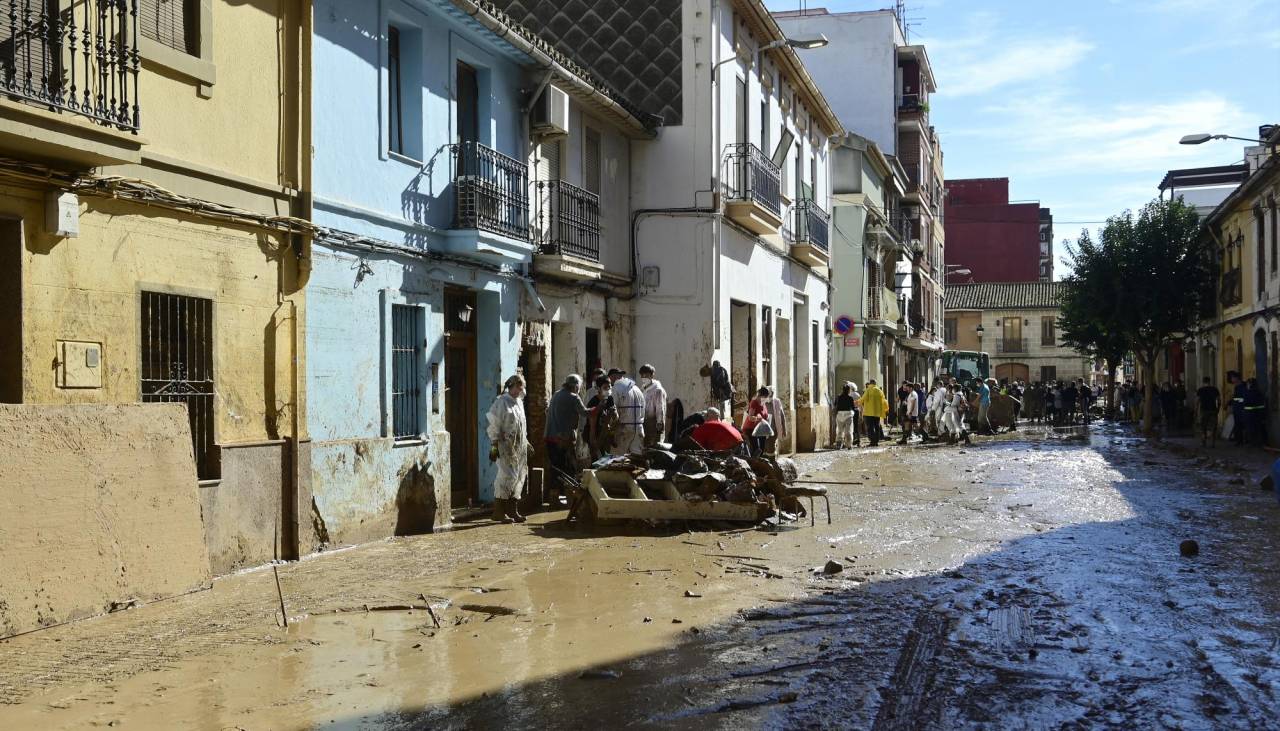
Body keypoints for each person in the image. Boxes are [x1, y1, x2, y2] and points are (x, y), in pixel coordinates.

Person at [486, 375, 529, 524]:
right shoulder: (501, 403)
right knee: (506, 475)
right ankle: (498, 511)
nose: (520, 390)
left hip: (519, 448)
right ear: (510, 386)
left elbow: (521, 426)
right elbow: (493, 425)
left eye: (521, 387)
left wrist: (526, 442)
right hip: (505, 447)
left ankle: (512, 510)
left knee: (519, 476)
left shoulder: (519, 403)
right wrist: (494, 445)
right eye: (518, 387)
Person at [544, 374, 589, 507]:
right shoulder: (573, 397)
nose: (579, 389)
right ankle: (568, 498)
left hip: (549, 437)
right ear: (575, 386)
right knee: (566, 468)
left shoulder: (557, 394)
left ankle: (554, 497)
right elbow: (585, 412)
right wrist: (599, 407)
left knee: (555, 467)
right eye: (579, 387)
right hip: (562, 439)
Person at [608, 368, 646, 455]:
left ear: (612, 377)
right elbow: (644, 410)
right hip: (639, 428)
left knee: (617, 459)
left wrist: (611, 431)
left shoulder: (616, 388)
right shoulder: (637, 389)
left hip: (623, 429)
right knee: (637, 459)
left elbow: (614, 411)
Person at [585, 375, 616, 459]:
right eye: (605, 387)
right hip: (594, 433)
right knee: (596, 460)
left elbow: (615, 418)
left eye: (609, 387)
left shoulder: (610, 399)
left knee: (606, 459)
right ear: (598, 389)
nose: (608, 390)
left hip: (605, 433)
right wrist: (593, 442)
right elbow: (592, 425)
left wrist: (614, 414)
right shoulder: (593, 403)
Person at [637, 364, 668, 448]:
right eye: (642, 375)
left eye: (646, 375)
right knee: (645, 446)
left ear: (651, 375)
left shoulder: (658, 390)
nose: (644, 377)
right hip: (644, 422)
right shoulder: (643, 388)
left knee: (653, 447)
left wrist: (659, 424)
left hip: (654, 423)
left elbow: (660, 408)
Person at [857, 379, 889, 447]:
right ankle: (876, 441)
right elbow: (884, 401)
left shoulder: (868, 389)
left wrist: (856, 402)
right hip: (877, 413)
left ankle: (872, 441)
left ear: (870, 383)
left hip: (869, 413)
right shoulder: (880, 391)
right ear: (875, 383)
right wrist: (885, 410)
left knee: (870, 427)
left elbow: (863, 398)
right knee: (877, 427)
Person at [741, 387, 772, 456]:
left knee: (762, 448)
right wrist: (757, 418)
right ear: (760, 395)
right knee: (756, 449)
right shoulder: (754, 402)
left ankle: (758, 464)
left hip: (761, 429)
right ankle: (753, 464)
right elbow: (750, 417)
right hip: (751, 428)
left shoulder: (763, 404)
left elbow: (765, 416)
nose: (766, 398)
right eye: (765, 397)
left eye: (767, 397)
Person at [1196, 376, 1221, 447]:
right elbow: (1219, 400)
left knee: (1203, 426)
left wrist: (1196, 411)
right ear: (1210, 381)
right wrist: (1218, 409)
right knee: (1213, 427)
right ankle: (1213, 443)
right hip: (1213, 410)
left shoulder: (1200, 390)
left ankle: (1204, 442)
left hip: (1204, 410)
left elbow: (1197, 401)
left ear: (1203, 382)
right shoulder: (1215, 389)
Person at [834, 383, 857, 449]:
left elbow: (835, 405)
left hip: (839, 415)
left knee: (839, 430)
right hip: (848, 415)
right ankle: (849, 445)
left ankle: (839, 444)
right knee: (848, 431)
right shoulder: (850, 398)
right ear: (848, 390)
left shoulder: (838, 397)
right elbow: (853, 407)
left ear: (842, 390)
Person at [765, 386, 788, 454]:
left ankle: (772, 461)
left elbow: (782, 415)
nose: (769, 395)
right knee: (766, 446)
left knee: (771, 445)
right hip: (764, 429)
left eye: (770, 393)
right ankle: (768, 461)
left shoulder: (776, 402)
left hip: (774, 428)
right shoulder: (762, 402)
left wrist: (784, 429)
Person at [1245, 377, 1266, 445]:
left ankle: (1254, 443)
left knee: (1252, 430)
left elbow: (1247, 402)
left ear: (1250, 384)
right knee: (1260, 428)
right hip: (1259, 414)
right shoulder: (1259, 392)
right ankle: (1262, 442)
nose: (1247, 385)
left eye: (1247, 384)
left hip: (1251, 414)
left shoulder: (1250, 392)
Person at [1228, 371, 1246, 445]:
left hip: (1242, 408)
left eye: (1232, 378)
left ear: (1237, 378)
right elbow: (1235, 397)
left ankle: (1243, 440)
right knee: (1237, 424)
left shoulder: (1243, 386)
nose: (1231, 379)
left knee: (1243, 425)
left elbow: (1242, 398)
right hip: (1237, 408)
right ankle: (1239, 440)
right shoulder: (1236, 387)